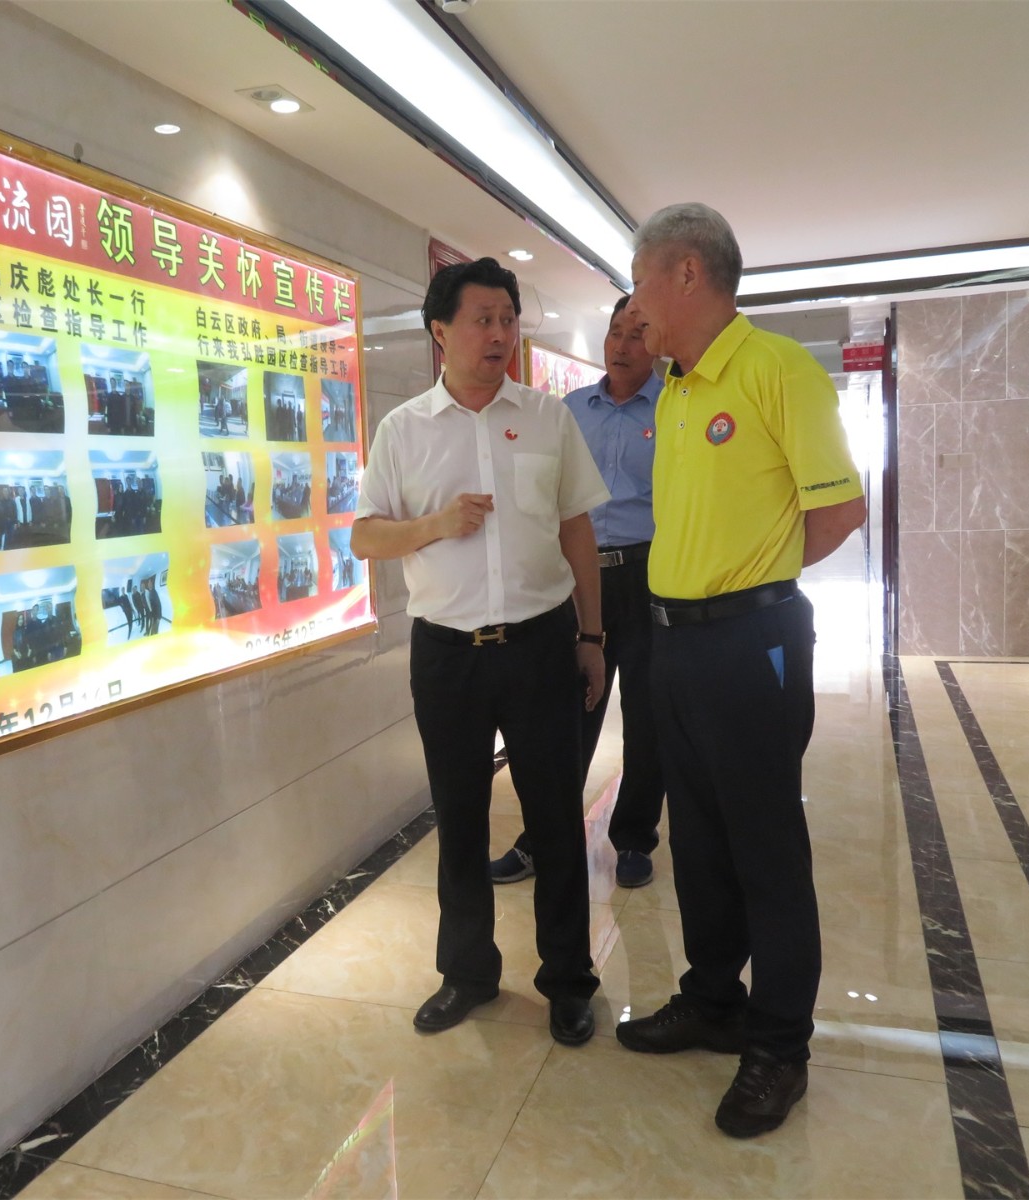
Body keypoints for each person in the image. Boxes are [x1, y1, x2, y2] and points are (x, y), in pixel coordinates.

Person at [613, 203, 865, 1138]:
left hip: (749, 643)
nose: (633, 306)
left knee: (765, 847)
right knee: (698, 838)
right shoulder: (676, 388)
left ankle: (779, 1047)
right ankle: (713, 1000)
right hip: (674, 644)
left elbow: (838, 511)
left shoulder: (778, 369)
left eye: (639, 281)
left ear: (686, 272)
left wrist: (754, 580)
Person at [351, 257, 608, 1048]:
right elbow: (365, 536)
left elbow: (577, 528)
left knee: (556, 819)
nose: (499, 334)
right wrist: (434, 525)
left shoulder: (547, 418)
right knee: (459, 816)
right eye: (482, 320)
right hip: (448, 656)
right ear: (441, 332)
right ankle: (467, 973)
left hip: (539, 644)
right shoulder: (403, 430)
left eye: (508, 319)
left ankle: (569, 980)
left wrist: (591, 637)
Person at [489, 295, 667, 891]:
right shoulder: (567, 411)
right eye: (615, 332)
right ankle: (543, 838)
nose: (621, 345)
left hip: (649, 576)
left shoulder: (674, 408)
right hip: (579, 578)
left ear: (656, 343)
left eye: (637, 334)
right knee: (568, 714)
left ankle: (634, 837)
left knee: (647, 714)